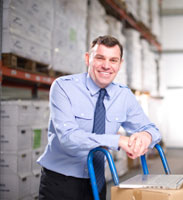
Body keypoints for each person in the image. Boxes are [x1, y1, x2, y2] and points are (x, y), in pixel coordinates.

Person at [37, 35, 161, 200]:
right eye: (100, 58)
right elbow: (69, 138)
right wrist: (118, 141)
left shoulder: (123, 95)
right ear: (88, 59)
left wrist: (144, 137)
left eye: (113, 60)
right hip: (60, 182)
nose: (106, 66)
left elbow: (152, 129)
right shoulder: (63, 87)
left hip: (97, 181)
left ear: (120, 64)